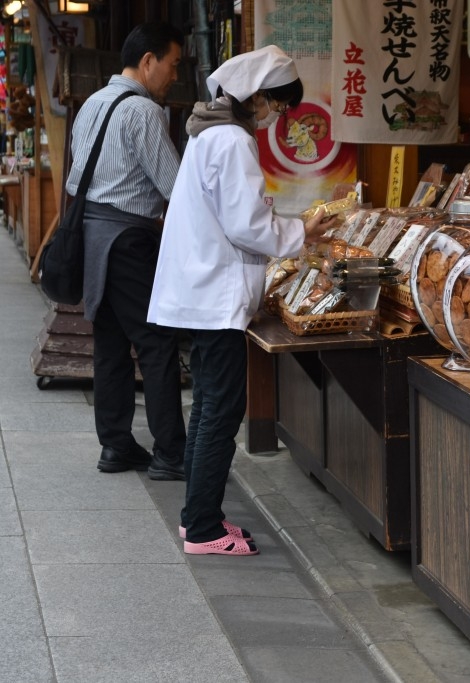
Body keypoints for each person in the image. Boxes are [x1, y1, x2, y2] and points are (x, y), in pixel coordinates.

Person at [148, 45, 338, 556]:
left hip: (203, 289)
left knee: (212, 403)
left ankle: (199, 518)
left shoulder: (209, 131)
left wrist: (288, 228)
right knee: (220, 409)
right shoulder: (231, 140)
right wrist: (303, 232)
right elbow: (247, 225)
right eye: (277, 105)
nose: (277, 115)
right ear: (256, 95)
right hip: (214, 295)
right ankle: (204, 527)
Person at [68, 22, 187, 480]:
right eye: (172, 65)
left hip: (94, 238)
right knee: (156, 344)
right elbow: (174, 185)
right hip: (127, 240)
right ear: (148, 61)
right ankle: (171, 454)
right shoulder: (143, 112)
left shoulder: (91, 105)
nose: (173, 75)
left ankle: (116, 446)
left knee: (112, 344)